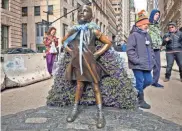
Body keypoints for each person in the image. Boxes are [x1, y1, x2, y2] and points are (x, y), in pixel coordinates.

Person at [47, 4, 138, 129]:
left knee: (96, 86)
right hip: (78, 62)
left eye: (85, 11)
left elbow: (108, 42)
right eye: (80, 11)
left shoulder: (93, 30)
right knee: (79, 86)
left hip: (90, 61)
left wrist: (97, 54)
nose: (82, 13)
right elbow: (63, 41)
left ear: (91, 15)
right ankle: (74, 109)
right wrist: (71, 51)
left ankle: (100, 113)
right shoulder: (74, 30)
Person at [127, 10, 155, 109]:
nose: (146, 25)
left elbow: (151, 48)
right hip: (137, 64)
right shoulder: (133, 35)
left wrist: (152, 59)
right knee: (140, 81)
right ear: (139, 25)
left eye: (147, 24)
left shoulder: (147, 35)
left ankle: (136, 92)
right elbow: (130, 50)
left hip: (146, 64)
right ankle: (140, 100)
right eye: (144, 24)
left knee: (148, 80)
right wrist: (136, 61)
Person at [148, 9, 164, 88]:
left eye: (158, 15)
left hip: (157, 48)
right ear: (152, 15)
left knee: (158, 65)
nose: (157, 16)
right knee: (148, 64)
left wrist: (161, 43)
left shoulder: (157, 25)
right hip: (149, 48)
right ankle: (146, 80)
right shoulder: (147, 24)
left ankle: (155, 81)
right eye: (156, 14)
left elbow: (158, 36)